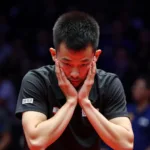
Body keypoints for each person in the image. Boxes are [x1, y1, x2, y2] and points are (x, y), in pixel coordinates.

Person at [15, 11, 134, 150]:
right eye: (67, 63)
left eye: (84, 64)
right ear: (54, 54)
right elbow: (36, 142)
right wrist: (71, 101)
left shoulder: (109, 84)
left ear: (96, 56)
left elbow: (126, 144)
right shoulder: (36, 81)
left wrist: (85, 103)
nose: (75, 73)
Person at [128, 75, 150, 150]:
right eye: (134, 87)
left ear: (148, 92)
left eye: (139, 87)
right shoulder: (127, 109)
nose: (135, 89)